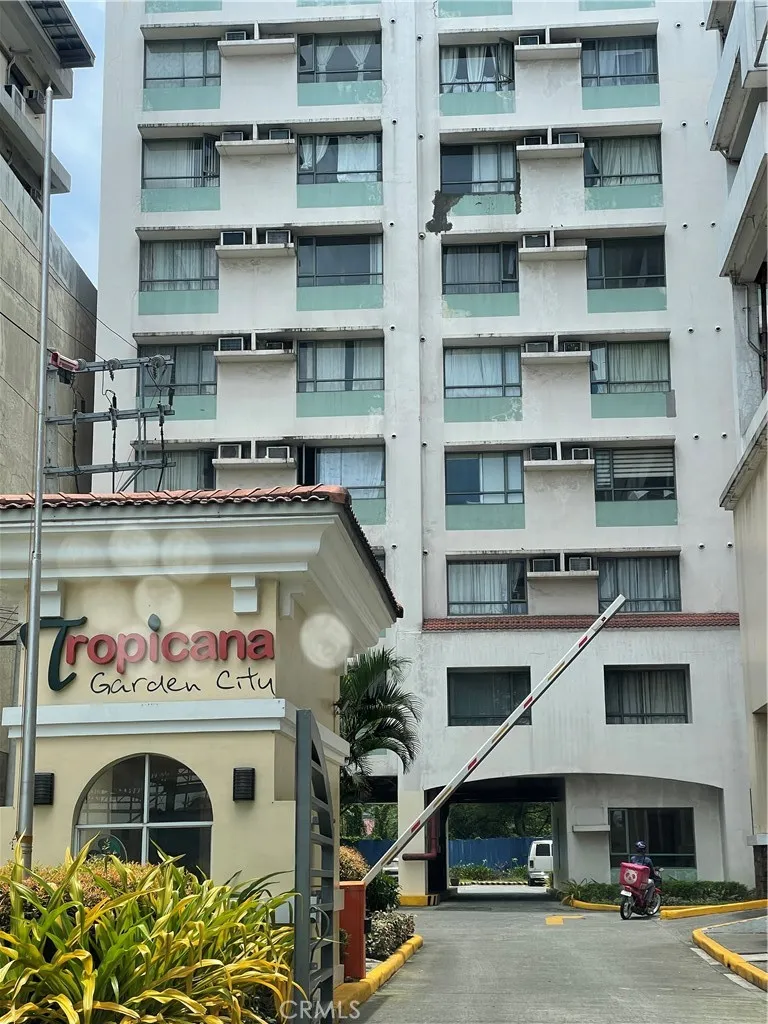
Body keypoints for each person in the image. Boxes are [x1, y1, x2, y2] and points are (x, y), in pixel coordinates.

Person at [630, 841, 657, 906]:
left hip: (632, 880)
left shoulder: (632, 858)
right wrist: (655, 876)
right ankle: (647, 901)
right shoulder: (647, 860)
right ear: (644, 850)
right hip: (640, 882)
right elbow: (652, 872)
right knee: (652, 883)